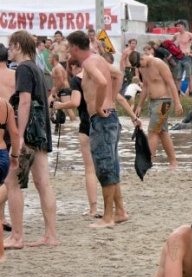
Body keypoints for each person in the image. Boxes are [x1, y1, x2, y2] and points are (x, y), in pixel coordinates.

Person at [68, 31, 141, 229]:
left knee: (105, 167)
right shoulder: (97, 58)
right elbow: (117, 75)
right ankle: (120, 212)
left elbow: (101, 81)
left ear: (75, 47)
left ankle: (108, 217)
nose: (67, 51)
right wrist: (111, 97)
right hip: (110, 118)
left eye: (68, 47)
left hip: (102, 119)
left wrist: (101, 105)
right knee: (111, 164)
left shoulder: (88, 63)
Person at [4, 30, 59, 249]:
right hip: (41, 132)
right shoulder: (36, 68)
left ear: (17, 46)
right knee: (43, 183)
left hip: (28, 135)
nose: (8, 51)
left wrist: (18, 137)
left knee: (12, 182)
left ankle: (17, 237)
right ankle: (51, 235)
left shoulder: (24, 69)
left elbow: (25, 102)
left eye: (10, 46)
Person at [53, 60, 99, 218]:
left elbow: (76, 102)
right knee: (108, 165)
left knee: (89, 168)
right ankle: (114, 207)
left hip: (86, 123)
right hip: (103, 121)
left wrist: (59, 106)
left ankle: (93, 208)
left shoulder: (77, 80)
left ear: (74, 66)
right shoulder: (100, 76)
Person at [130, 48, 183, 168]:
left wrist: (178, 103)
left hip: (163, 101)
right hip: (153, 103)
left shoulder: (158, 63)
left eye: (139, 64)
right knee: (163, 133)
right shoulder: (143, 67)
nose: (139, 67)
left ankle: (149, 163)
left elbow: (171, 83)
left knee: (152, 132)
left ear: (142, 57)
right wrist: (139, 105)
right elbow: (145, 87)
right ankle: (173, 163)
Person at [0, 92, 20, 262]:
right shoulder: (5, 105)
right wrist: (14, 156)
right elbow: (14, 133)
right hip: (2, 155)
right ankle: (0, 254)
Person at [171, 20, 192, 96]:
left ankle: (191, 92)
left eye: (179, 26)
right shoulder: (176, 35)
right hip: (179, 56)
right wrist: (173, 51)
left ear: (183, 26)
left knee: (189, 76)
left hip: (187, 56)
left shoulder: (189, 34)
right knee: (178, 76)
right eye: (177, 26)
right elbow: (170, 43)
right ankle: (178, 93)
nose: (177, 27)